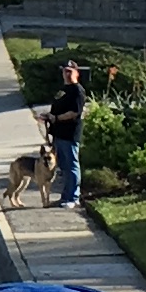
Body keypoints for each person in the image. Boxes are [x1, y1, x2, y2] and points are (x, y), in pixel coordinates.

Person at [48, 63, 87, 205]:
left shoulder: (78, 91)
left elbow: (74, 112)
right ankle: (65, 196)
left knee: (72, 166)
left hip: (70, 134)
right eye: (65, 71)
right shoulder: (63, 90)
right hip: (59, 134)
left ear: (77, 73)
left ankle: (73, 198)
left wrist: (57, 118)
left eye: (70, 71)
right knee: (64, 167)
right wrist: (48, 116)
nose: (67, 74)